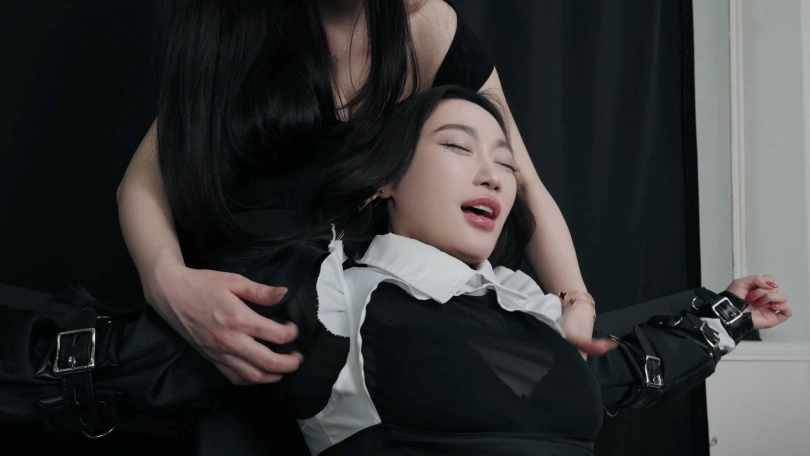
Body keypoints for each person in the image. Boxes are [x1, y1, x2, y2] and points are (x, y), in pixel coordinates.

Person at [0, 86, 791, 455]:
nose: (491, 174)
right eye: (457, 146)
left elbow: (619, 375)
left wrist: (725, 316)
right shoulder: (334, 298)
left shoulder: (536, 316)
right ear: (384, 180)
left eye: (504, 161)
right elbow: (115, 364)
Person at [115, 0, 602, 390]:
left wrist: (575, 300)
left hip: (367, 348)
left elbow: (522, 180)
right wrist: (170, 285)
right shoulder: (237, 27)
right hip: (238, 339)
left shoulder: (427, 26)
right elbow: (140, 186)